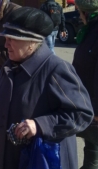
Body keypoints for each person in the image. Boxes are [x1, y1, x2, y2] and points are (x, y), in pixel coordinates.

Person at [0, 7, 94, 169]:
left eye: (11, 39)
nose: (5, 44)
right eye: (5, 38)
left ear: (31, 43)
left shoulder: (56, 70)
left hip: (42, 160)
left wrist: (41, 125)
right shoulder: (9, 66)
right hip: (6, 159)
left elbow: (82, 114)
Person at [72, 0, 98, 168]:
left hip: (94, 103)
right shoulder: (90, 29)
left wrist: (96, 109)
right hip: (88, 97)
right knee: (91, 144)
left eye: (80, 11)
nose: (79, 16)